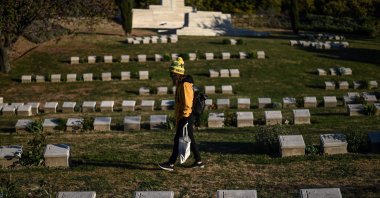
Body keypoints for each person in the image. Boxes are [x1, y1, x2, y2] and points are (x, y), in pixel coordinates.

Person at [159, 57, 204, 171]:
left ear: (177, 73)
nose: (171, 76)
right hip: (185, 116)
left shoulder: (185, 85)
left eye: (172, 74)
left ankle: (171, 163)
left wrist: (184, 118)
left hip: (187, 116)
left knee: (177, 139)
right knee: (189, 138)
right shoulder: (180, 83)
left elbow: (188, 104)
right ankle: (198, 161)